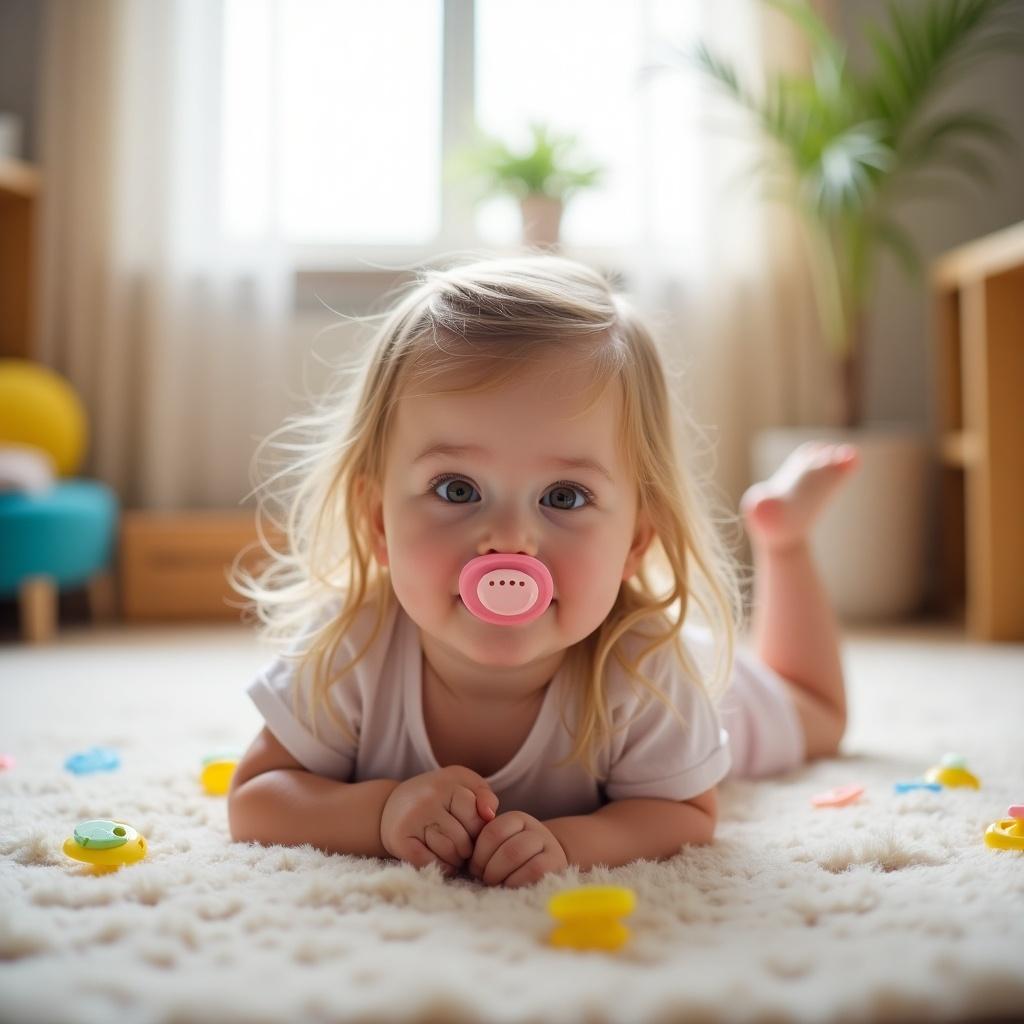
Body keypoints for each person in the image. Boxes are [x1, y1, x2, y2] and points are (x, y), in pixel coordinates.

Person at [227, 254, 858, 889]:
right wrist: (381, 813)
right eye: (455, 489)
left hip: (715, 693)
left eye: (564, 497)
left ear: (635, 541)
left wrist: (571, 842)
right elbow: (257, 797)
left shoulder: (647, 668)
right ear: (378, 522)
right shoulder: (350, 643)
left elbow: (683, 812)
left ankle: (783, 539)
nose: (508, 541)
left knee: (820, 717)